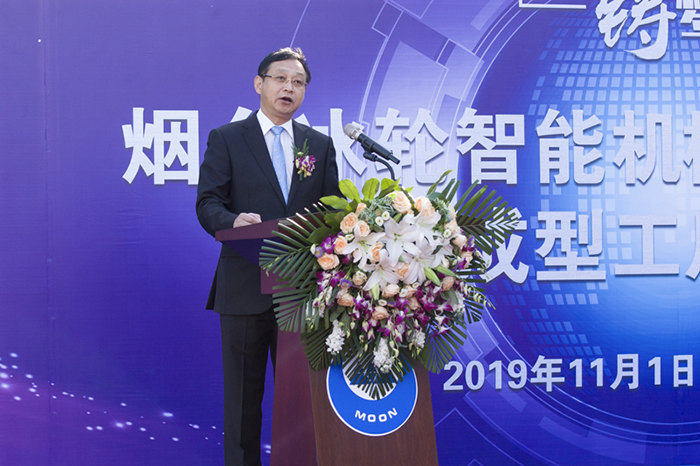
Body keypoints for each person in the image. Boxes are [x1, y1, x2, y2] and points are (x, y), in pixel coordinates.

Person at [196, 47, 341, 466]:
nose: (288, 88)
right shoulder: (228, 138)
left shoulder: (319, 145)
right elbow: (207, 203)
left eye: (298, 82)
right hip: (245, 286)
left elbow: (333, 212)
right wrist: (233, 221)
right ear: (259, 84)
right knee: (243, 403)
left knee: (306, 403)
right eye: (280, 79)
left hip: (304, 294)